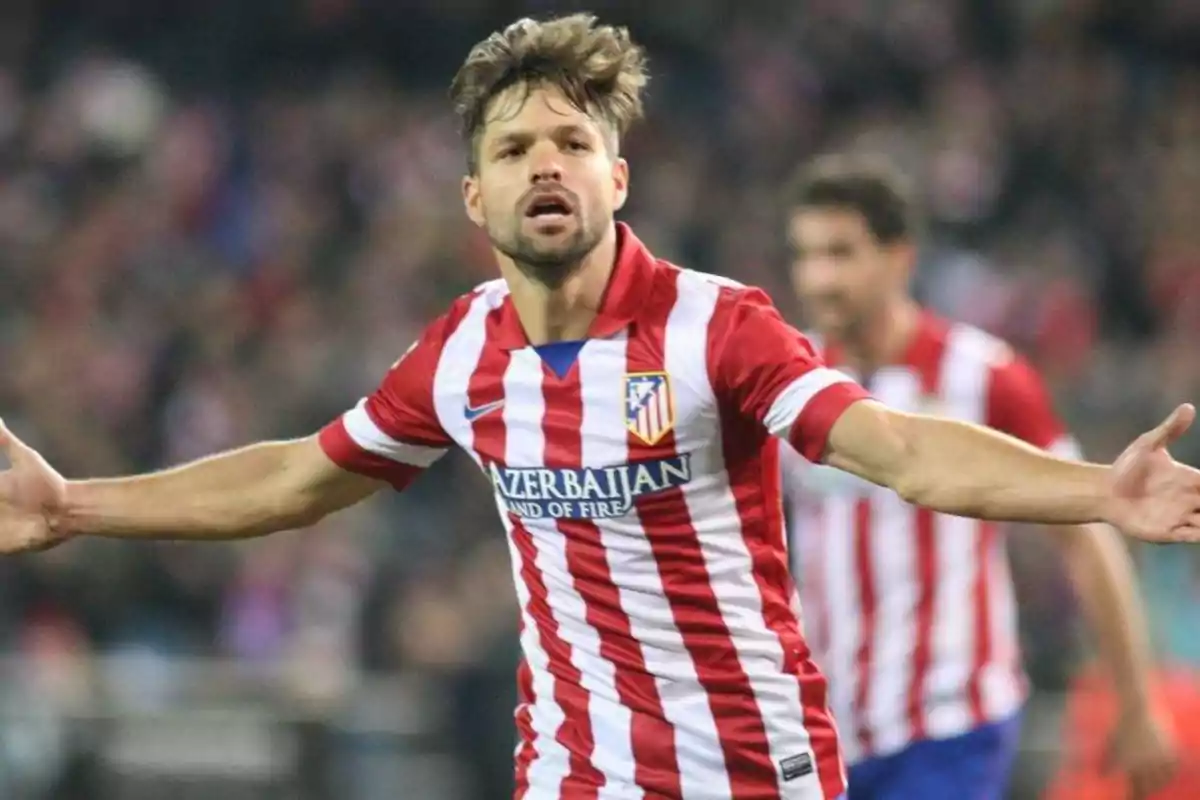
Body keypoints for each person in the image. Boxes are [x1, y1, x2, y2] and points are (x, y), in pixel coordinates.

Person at [1, 13, 1199, 800]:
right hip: (580, 774)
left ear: (617, 175)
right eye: (515, 146)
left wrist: (1100, 489)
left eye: (573, 139)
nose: (546, 163)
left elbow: (902, 452)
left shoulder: (717, 324)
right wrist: (72, 506)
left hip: (754, 769)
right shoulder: (461, 353)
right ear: (475, 194)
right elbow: (292, 478)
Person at [778, 154, 1179, 800]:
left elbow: (1087, 536)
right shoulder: (789, 382)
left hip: (952, 720)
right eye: (806, 256)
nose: (818, 278)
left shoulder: (984, 377)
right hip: (822, 726)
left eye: (840, 254)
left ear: (900, 257)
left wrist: (1136, 700)